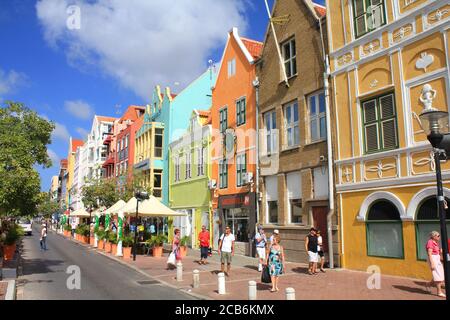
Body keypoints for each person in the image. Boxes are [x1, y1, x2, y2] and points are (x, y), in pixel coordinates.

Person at [426, 231, 446, 298]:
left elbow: (437, 253)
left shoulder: (436, 243)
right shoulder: (430, 242)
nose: (439, 237)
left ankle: (428, 284)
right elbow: (429, 254)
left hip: (436, 258)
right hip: (433, 259)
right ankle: (439, 292)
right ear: (433, 236)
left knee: (439, 275)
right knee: (437, 275)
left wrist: (440, 252)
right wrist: (432, 263)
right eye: (438, 236)